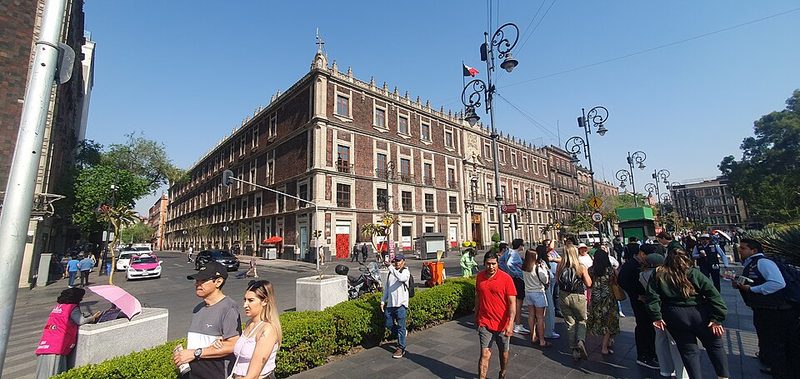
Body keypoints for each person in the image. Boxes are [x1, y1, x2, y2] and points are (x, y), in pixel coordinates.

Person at [646, 249, 729, 379]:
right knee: (715, 346)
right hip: (699, 313)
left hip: (674, 315)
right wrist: (717, 317)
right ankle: (723, 376)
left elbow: (652, 297)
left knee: (688, 351)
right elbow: (713, 294)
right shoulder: (694, 273)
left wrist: (656, 316)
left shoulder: (659, 274)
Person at [734, 238, 798, 378]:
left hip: (776, 310)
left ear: (754, 250)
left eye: (743, 248)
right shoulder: (752, 264)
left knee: (775, 342)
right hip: (766, 309)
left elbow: (777, 283)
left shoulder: (763, 262)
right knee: (772, 342)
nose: (740, 251)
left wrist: (752, 289)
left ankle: (783, 372)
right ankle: (779, 368)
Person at [174, 261, 242, 379]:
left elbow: (233, 345)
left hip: (217, 374)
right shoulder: (198, 309)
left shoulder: (228, 308)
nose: (197, 284)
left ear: (218, 282)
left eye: (203, 280)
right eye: (197, 280)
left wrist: (195, 353)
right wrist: (184, 355)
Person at [215, 280, 281, 379]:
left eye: (251, 300)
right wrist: (222, 341)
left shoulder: (268, 329)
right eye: (245, 300)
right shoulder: (249, 324)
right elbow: (243, 348)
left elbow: (253, 374)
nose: (245, 305)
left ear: (265, 301)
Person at [639, 252, 688, 379]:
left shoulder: (642, 275)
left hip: (655, 312)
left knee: (660, 339)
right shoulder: (663, 275)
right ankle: (680, 373)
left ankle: (665, 369)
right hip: (667, 310)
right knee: (674, 342)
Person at [35, 288, 101, 379]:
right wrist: (92, 318)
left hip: (46, 342)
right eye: (81, 297)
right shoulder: (72, 307)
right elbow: (80, 321)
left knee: (43, 372)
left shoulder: (58, 306)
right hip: (58, 344)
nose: (81, 299)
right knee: (55, 372)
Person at [475, 250, 517, 379]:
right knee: (485, 354)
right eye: (488, 264)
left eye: (493, 264)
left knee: (503, 354)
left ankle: (502, 372)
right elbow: (478, 296)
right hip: (485, 322)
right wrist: (476, 314)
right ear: (484, 264)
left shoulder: (506, 278)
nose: (491, 267)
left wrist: (510, 324)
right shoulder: (480, 277)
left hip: (502, 323)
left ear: (498, 263)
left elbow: (512, 303)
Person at [618, 243, 659, 369]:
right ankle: (644, 355)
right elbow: (622, 281)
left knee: (650, 327)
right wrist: (636, 295)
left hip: (648, 299)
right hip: (639, 300)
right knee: (643, 326)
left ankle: (652, 353)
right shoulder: (631, 265)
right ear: (641, 254)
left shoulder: (644, 265)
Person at [556, 245, 592, 361]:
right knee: (582, 320)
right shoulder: (580, 267)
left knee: (570, 323)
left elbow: (557, 280)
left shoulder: (560, 266)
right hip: (578, 296)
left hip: (563, 296)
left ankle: (574, 350)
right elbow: (589, 284)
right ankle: (580, 340)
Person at [586, 249, 620, 355]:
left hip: (596, 298)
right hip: (609, 298)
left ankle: (605, 340)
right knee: (609, 322)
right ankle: (605, 347)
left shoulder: (591, 270)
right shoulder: (610, 270)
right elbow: (617, 280)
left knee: (599, 320)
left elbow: (588, 283)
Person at [381, 254, 410, 359]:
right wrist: (383, 301)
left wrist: (390, 267)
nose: (397, 263)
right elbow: (387, 289)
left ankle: (401, 348)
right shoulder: (391, 273)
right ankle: (401, 333)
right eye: (395, 261)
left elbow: (401, 278)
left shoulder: (405, 272)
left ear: (403, 261)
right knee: (388, 324)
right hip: (390, 304)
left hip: (401, 304)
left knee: (401, 327)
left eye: (399, 261)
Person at [522, 246, 551, 347]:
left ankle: (533, 336)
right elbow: (546, 280)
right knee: (540, 317)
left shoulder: (525, 268)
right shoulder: (538, 268)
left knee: (531, 315)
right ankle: (542, 340)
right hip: (538, 293)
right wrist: (544, 268)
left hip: (528, 293)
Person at [498, 239, 528, 334]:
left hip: (512, 278)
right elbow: (509, 264)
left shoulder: (508, 252)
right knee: (518, 302)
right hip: (518, 280)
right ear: (520, 246)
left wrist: (506, 272)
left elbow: (501, 261)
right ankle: (518, 324)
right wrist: (517, 274)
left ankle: (512, 322)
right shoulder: (515, 254)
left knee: (512, 301)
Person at [543, 239, 561, 339]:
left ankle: (556, 309)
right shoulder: (547, 251)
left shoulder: (553, 253)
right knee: (549, 303)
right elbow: (551, 247)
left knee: (555, 296)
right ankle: (549, 329)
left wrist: (554, 260)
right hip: (549, 280)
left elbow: (561, 259)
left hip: (555, 277)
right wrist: (553, 239)